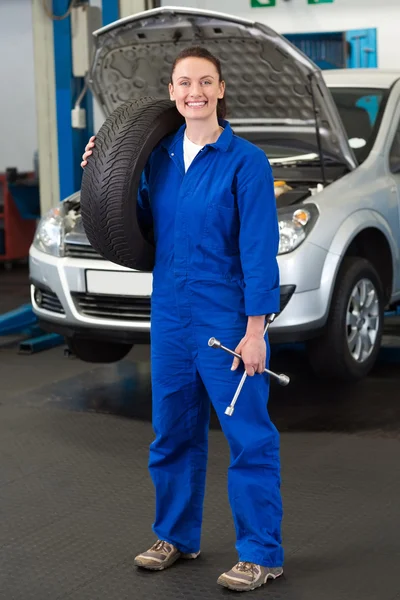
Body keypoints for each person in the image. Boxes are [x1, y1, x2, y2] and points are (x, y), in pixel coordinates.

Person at [81, 46, 283, 593]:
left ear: (220, 90)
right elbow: (135, 223)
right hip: (170, 314)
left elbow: (259, 252)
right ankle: (176, 536)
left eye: (205, 81)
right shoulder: (158, 158)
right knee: (171, 432)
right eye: (183, 82)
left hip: (226, 319)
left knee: (249, 438)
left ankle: (261, 552)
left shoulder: (247, 162)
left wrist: (256, 331)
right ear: (171, 93)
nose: (194, 91)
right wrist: (103, 169)